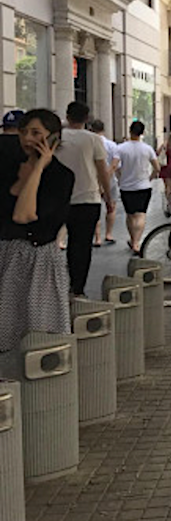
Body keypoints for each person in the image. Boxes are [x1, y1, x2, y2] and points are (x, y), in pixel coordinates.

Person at [0, 109, 75, 354]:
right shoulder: (9, 166)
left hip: (38, 261)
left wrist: (39, 167)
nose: (27, 139)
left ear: (53, 138)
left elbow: (24, 215)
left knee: (39, 334)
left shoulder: (61, 177)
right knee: (6, 334)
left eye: (36, 133)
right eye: (24, 132)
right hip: (6, 255)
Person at [55, 102, 110, 298]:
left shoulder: (57, 137)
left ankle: (56, 286)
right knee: (82, 245)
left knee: (53, 242)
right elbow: (103, 171)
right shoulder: (94, 139)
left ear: (67, 116)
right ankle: (77, 288)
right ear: (87, 119)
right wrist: (109, 198)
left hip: (58, 199)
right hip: (87, 198)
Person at [116, 121, 159, 255]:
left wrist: (120, 177)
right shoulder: (147, 148)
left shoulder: (121, 148)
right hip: (143, 186)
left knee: (130, 215)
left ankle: (132, 239)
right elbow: (157, 167)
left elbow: (116, 166)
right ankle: (136, 242)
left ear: (130, 131)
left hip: (126, 187)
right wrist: (150, 178)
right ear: (142, 133)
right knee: (141, 214)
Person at [88, 120, 119, 246]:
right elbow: (115, 163)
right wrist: (108, 174)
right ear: (103, 129)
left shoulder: (89, 144)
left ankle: (97, 238)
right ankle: (109, 234)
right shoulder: (112, 145)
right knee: (111, 206)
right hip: (110, 180)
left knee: (96, 208)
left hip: (93, 179)